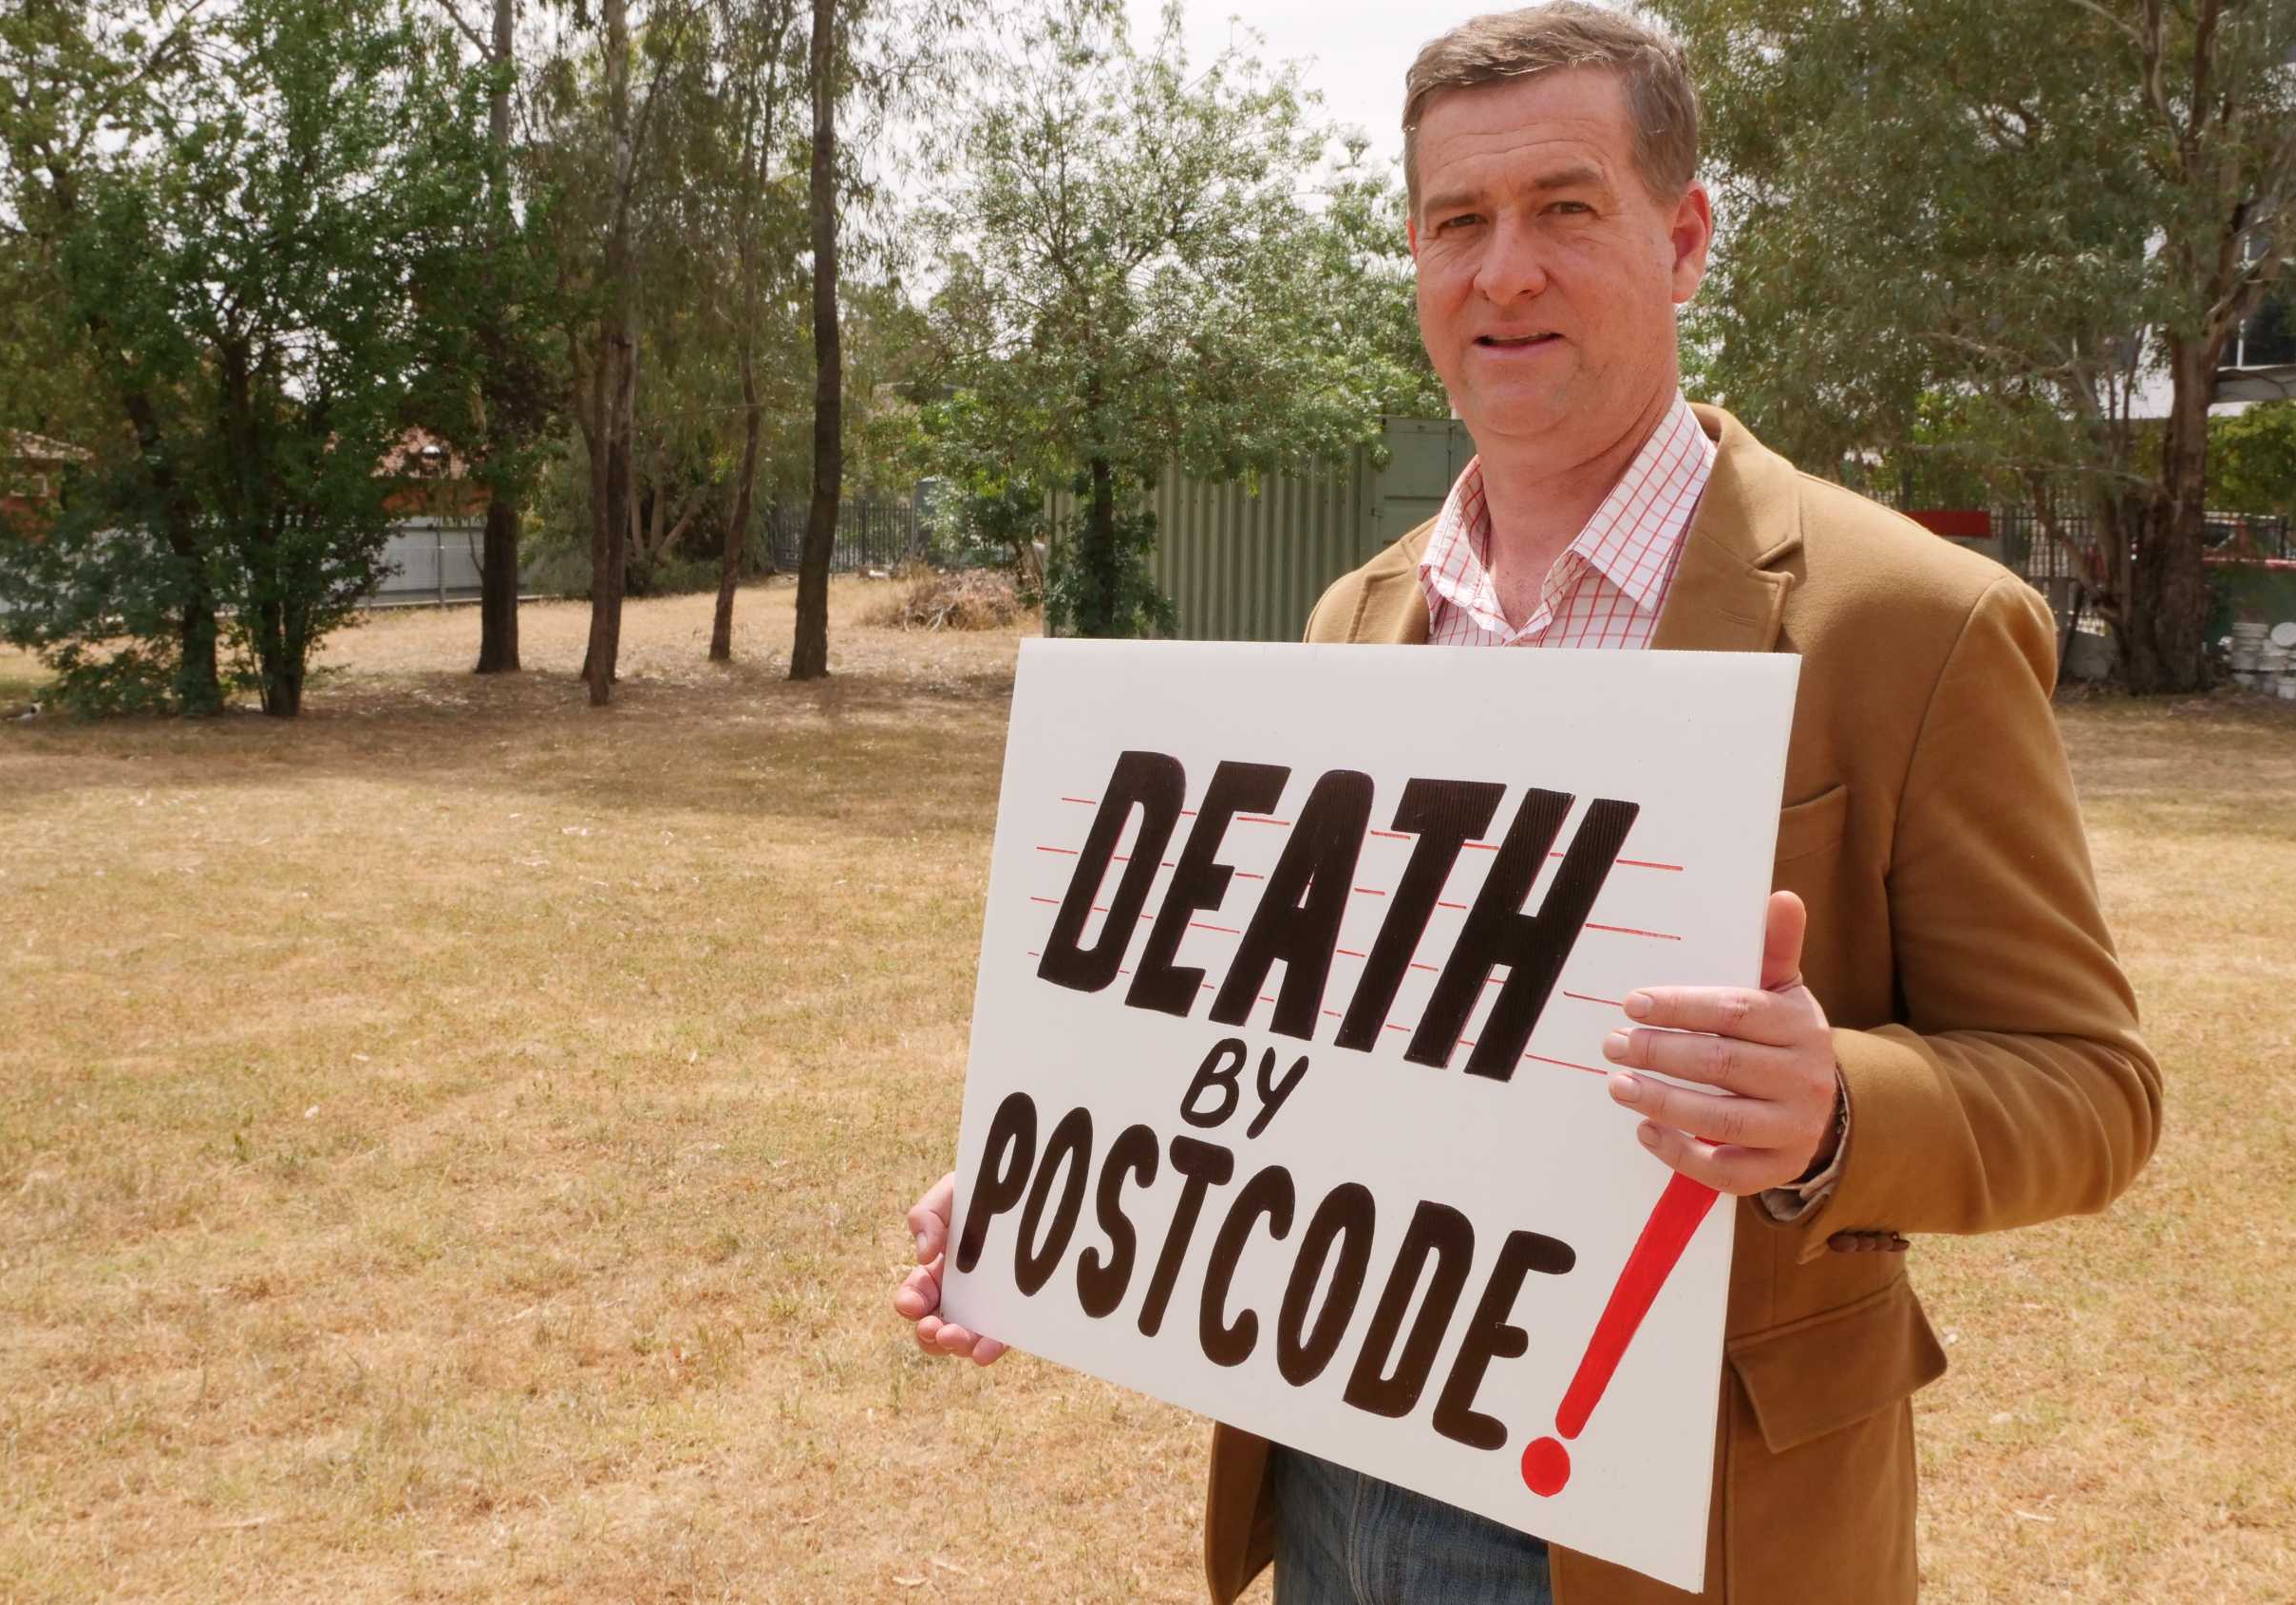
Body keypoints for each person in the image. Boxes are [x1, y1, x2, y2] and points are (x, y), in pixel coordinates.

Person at [890, 5, 2162, 1601]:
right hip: (1335, 1470)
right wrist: (1053, 1186)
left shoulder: (1913, 623)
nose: (1505, 272)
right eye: (1458, 223)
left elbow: (2093, 1088)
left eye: (1565, 210)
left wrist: (1834, 1106)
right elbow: (1315, 1047)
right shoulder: (1356, 618)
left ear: (1686, 236)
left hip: (1687, 1519)